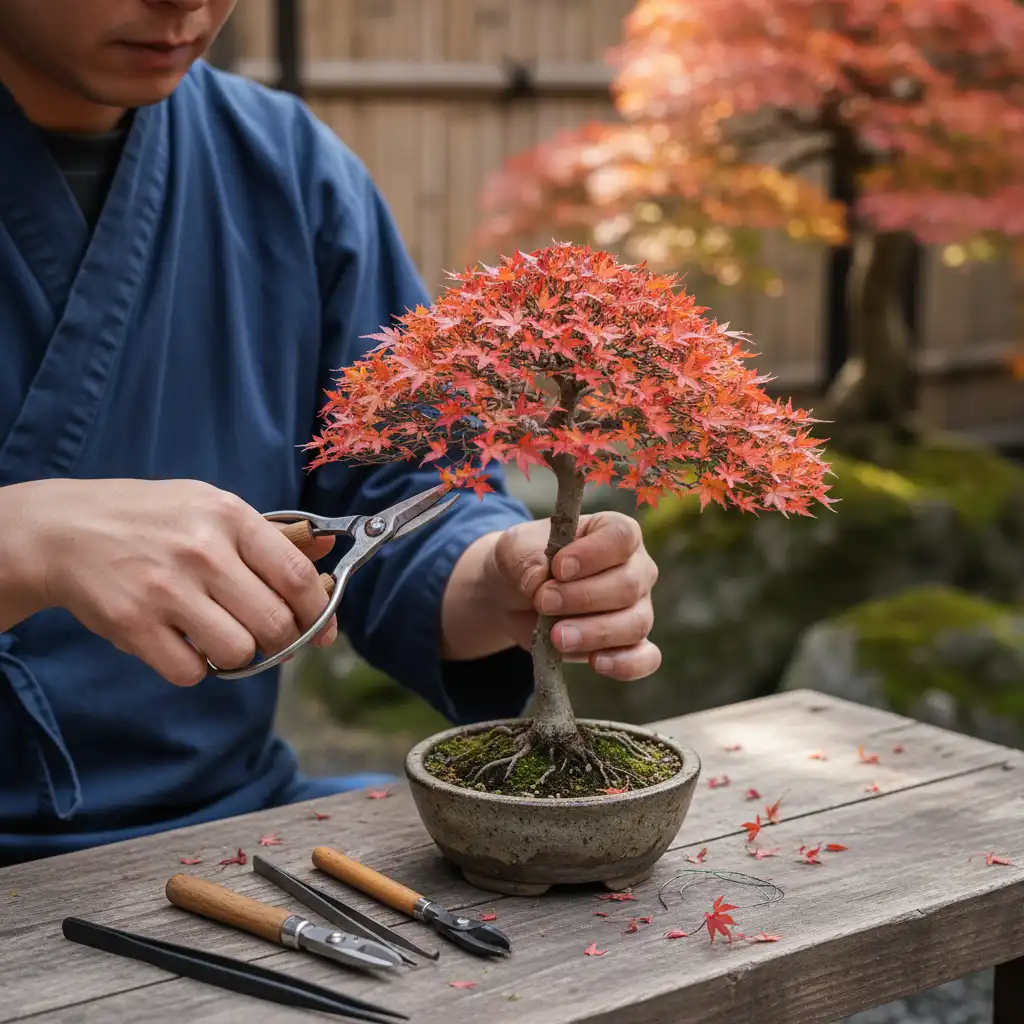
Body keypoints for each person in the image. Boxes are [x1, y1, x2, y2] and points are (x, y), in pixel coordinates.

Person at [0, 0, 661, 868]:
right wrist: (24, 542)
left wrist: (498, 580)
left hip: (224, 821)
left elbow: (394, 494)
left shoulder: (284, 166)